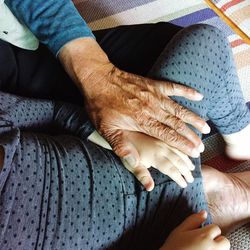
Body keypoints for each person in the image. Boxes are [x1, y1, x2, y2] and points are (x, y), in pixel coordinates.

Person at [0, 22, 250, 249]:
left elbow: (44, 112)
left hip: (119, 152)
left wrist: (109, 132)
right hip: (144, 235)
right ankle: (216, 192)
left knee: (204, 45)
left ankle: (235, 150)